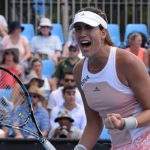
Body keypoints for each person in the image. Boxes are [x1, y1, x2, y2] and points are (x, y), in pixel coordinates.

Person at [70, 7, 150, 150]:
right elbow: (94, 123)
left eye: (88, 27)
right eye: (78, 28)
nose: (82, 33)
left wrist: (125, 123)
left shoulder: (127, 62)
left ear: (103, 32)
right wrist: (80, 148)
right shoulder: (79, 71)